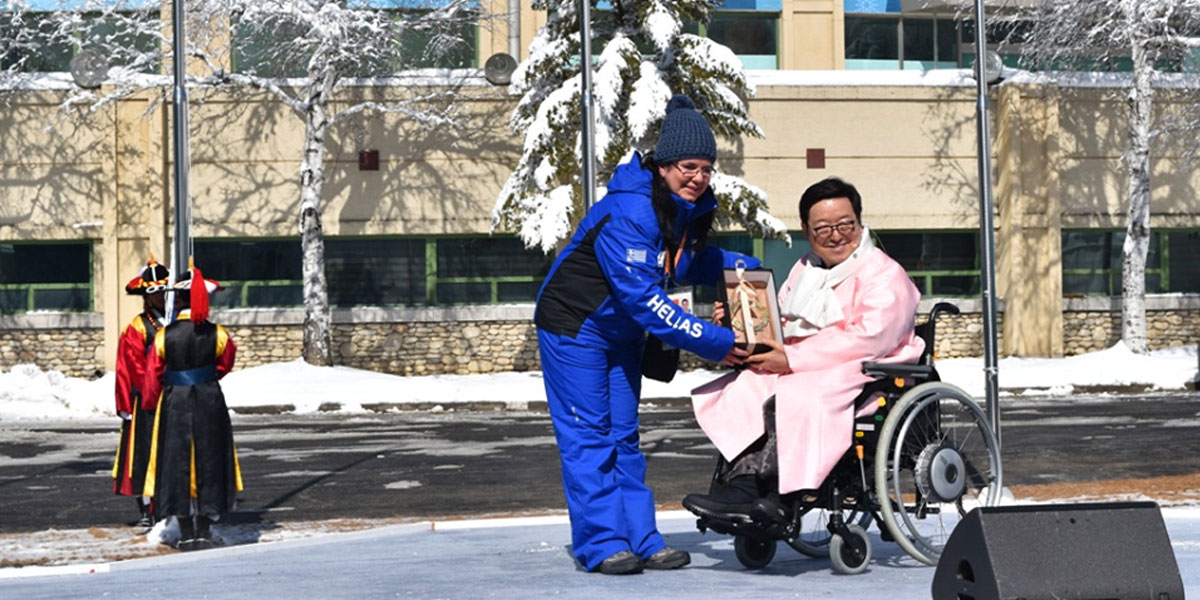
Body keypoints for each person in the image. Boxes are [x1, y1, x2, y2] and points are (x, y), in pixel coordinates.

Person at [535, 95, 758, 575]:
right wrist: (718, 342)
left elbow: (689, 263)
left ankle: (641, 536)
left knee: (624, 437)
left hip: (621, 333)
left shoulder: (678, 211)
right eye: (687, 166)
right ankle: (601, 543)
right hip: (576, 327)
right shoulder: (632, 211)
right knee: (589, 437)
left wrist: (750, 268)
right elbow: (644, 299)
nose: (697, 177)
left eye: (705, 168)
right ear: (661, 166)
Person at [683, 177, 925, 521]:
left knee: (800, 393)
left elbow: (869, 339)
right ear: (806, 230)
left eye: (845, 224)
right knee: (751, 383)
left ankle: (782, 494)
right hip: (806, 362)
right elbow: (782, 324)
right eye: (823, 228)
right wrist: (738, 324)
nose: (836, 235)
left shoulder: (886, 275)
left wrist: (793, 359)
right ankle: (744, 485)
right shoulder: (804, 269)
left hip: (868, 368)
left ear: (859, 220)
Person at [141, 260, 242, 550]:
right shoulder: (219, 334)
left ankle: (185, 528)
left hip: (176, 402)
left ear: (180, 299)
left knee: (177, 461)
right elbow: (225, 364)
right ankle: (206, 525)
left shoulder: (164, 335)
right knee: (210, 457)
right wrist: (204, 379)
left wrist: (151, 404)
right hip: (209, 399)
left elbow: (152, 377)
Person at [112, 257, 170, 528]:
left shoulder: (177, 321)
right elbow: (130, 369)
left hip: (175, 397)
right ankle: (147, 509)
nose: (159, 297)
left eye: (163, 292)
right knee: (144, 453)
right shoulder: (137, 327)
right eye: (154, 293)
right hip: (148, 400)